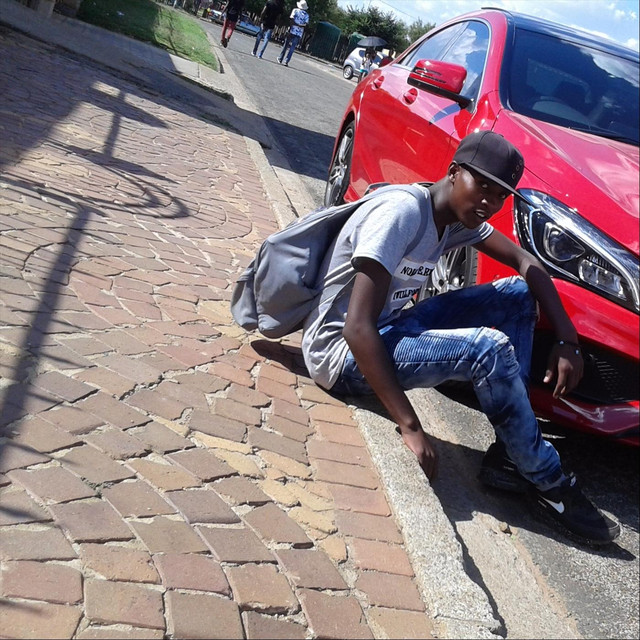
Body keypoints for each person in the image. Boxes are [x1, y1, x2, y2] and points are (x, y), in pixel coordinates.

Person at [301, 131, 620, 545]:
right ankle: (550, 482)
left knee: (517, 294)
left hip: (389, 330)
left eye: (499, 195)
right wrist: (410, 426)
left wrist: (567, 338)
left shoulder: (453, 218)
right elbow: (356, 327)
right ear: (454, 173)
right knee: (487, 349)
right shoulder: (403, 214)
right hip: (342, 356)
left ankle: (511, 457)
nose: (488, 201)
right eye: (481, 185)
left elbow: (525, 262)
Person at [277, 0, 309, 67]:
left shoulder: (295, 10)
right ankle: (286, 61)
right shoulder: (306, 15)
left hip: (292, 30)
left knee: (286, 45)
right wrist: (300, 25)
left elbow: (291, 20)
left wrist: (293, 26)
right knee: (292, 48)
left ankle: (280, 58)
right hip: (299, 33)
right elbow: (305, 25)